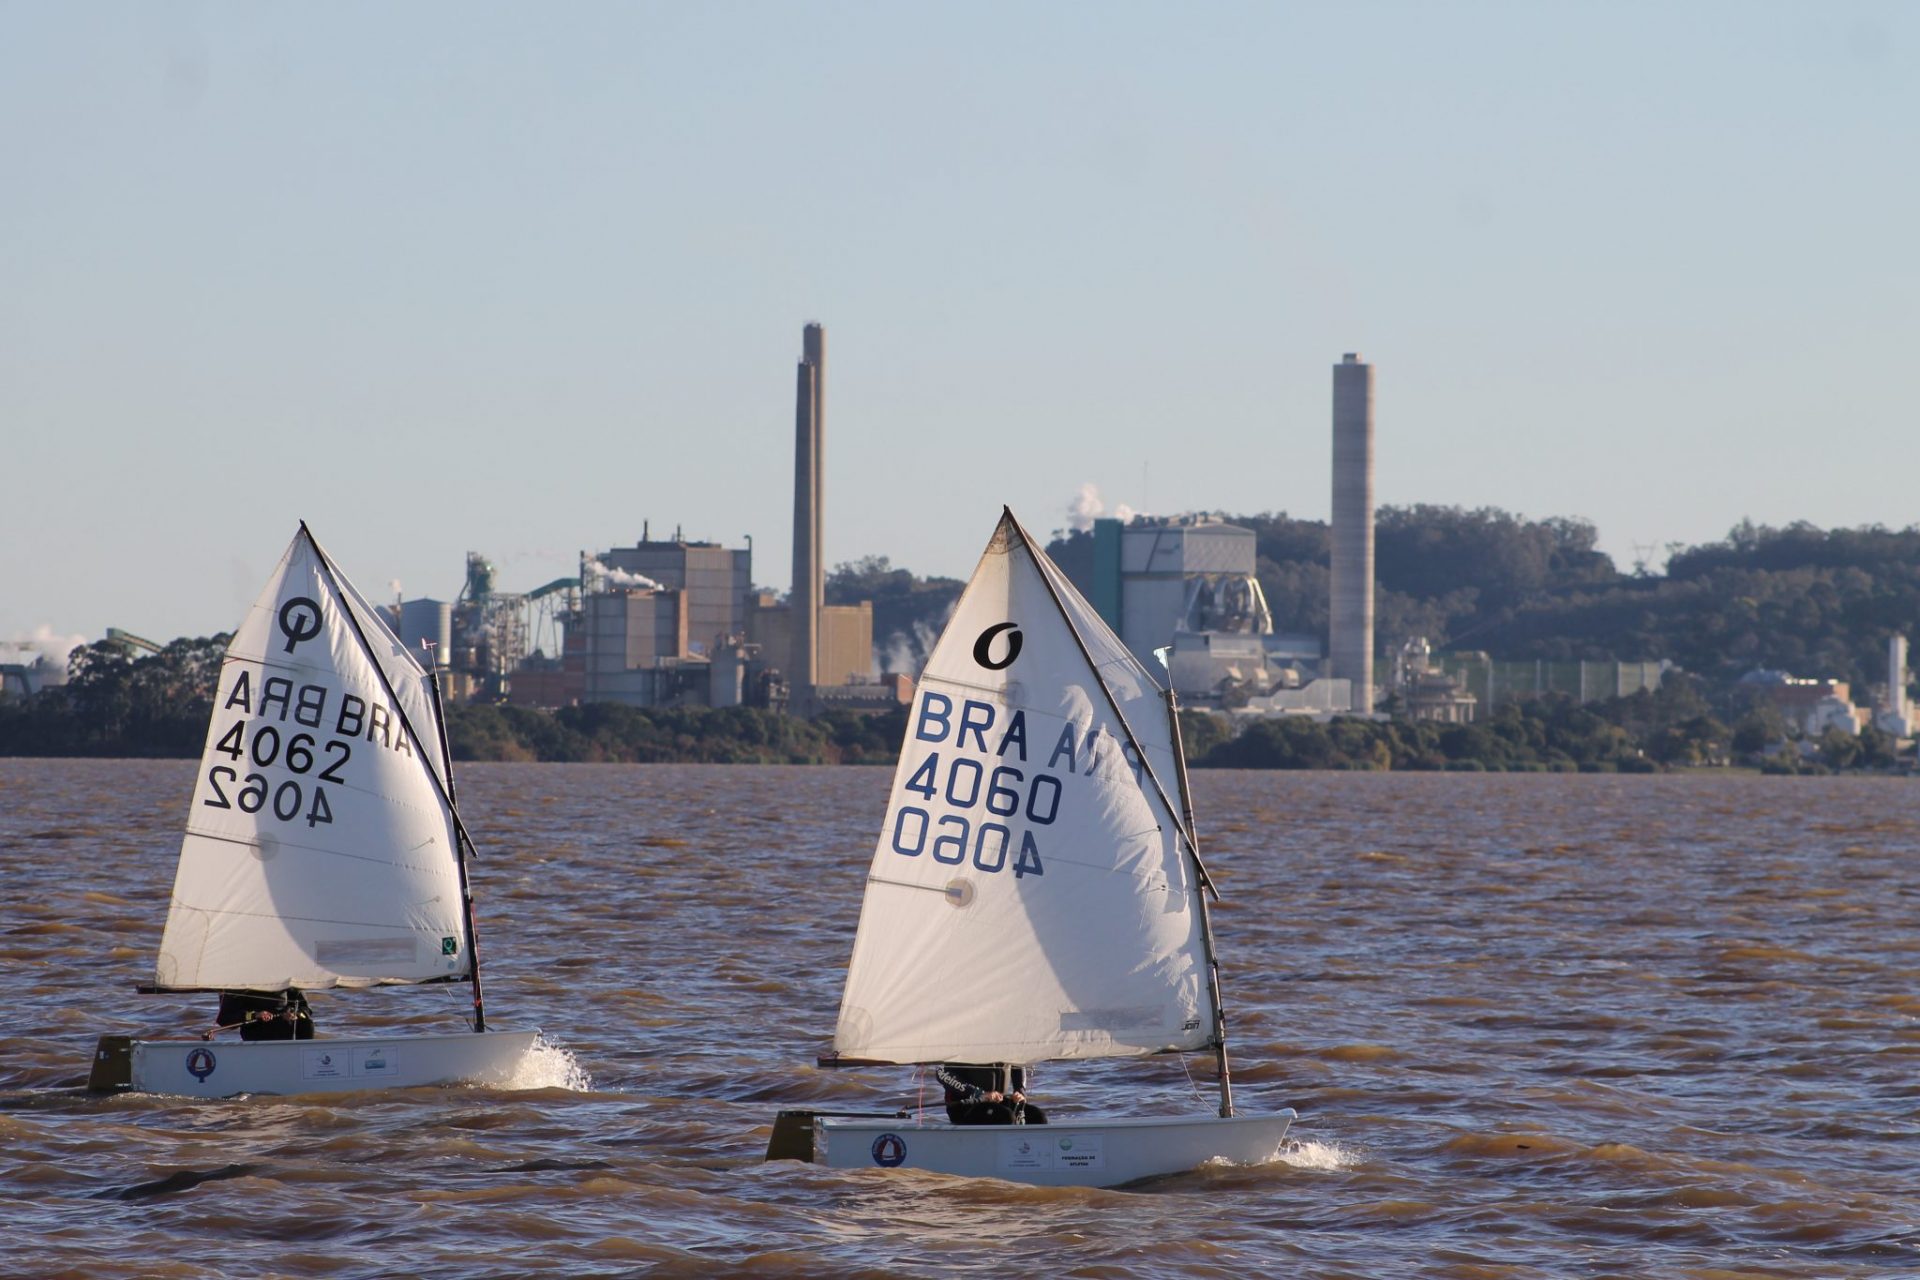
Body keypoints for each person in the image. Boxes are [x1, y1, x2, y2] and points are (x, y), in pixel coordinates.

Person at [935, 1063, 1047, 1125]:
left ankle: (1034, 1156)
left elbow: (1017, 1063)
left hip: (997, 1103)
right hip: (964, 1107)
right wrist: (977, 1093)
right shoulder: (966, 1039)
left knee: (1037, 1116)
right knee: (1005, 1116)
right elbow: (941, 1073)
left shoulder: (1005, 1039)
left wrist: (1020, 1092)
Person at [202, 988, 314, 1042]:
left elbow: (305, 1008)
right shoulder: (238, 983)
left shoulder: (287, 977)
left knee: (307, 1024)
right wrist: (255, 1015)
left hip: (286, 1035)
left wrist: (294, 1013)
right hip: (257, 1036)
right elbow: (225, 1018)